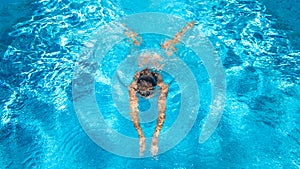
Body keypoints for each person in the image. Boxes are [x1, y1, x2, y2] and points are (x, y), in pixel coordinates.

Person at [125, 21, 195, 156]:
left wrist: (148, 135)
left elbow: (134, 112)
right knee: (167, 47)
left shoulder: (141, 85)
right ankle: (187, 27)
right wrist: (148, 135)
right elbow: (161, 111)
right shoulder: (139, 84)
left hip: (148, 54)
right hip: (147, 54)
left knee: (166, 49)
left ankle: (187, 27)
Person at [128, 68, 168, 156]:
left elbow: (162, 111)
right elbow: (133, 112)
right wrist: (141, 136)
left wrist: (155, 136)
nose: (146, 98)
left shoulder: (161, 84)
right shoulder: (133, 86)